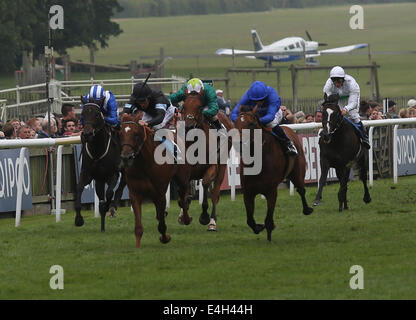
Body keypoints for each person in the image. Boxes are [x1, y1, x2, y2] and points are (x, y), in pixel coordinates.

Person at [230, 81, 297, 155]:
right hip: (256, 114)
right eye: (256, 101)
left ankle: (288, 143)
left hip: (274, 112)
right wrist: (241, 122)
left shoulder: (272, 95)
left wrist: (256, 121)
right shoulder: (248, 95)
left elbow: (270, 117)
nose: (259, 102)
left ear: (266, 96)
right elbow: (234, 113)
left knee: (271, 123)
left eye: (262, 100)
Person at [323, 66, 370, 149]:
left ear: (343, 79)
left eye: (339, 81)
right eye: (334, 81)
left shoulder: (352, 84)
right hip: (338, 97)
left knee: (353, 116)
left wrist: (346, 109)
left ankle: (364, 137)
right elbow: (328, 101)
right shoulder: (328, 85)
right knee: (335, 115)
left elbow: (353, 103)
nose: (337, 84)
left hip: (351, 96)